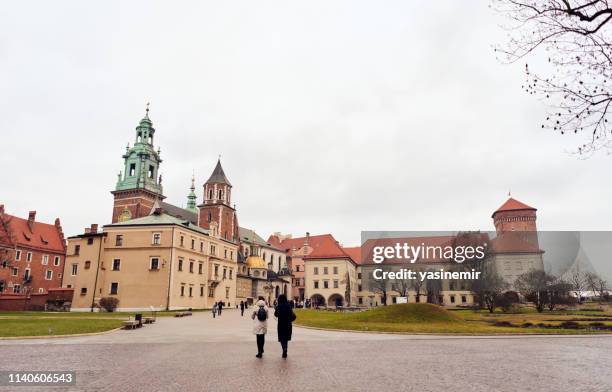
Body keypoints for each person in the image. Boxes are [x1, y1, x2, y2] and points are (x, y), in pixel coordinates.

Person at [274, 294, 296, 359]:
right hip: (288, 324)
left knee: (282, 338)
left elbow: (275, 314)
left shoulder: (278, 306)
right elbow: (293, 316)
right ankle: (285, 348)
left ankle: (284, 348)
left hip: (281, 324)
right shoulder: (288, 306)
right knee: (286, 338)